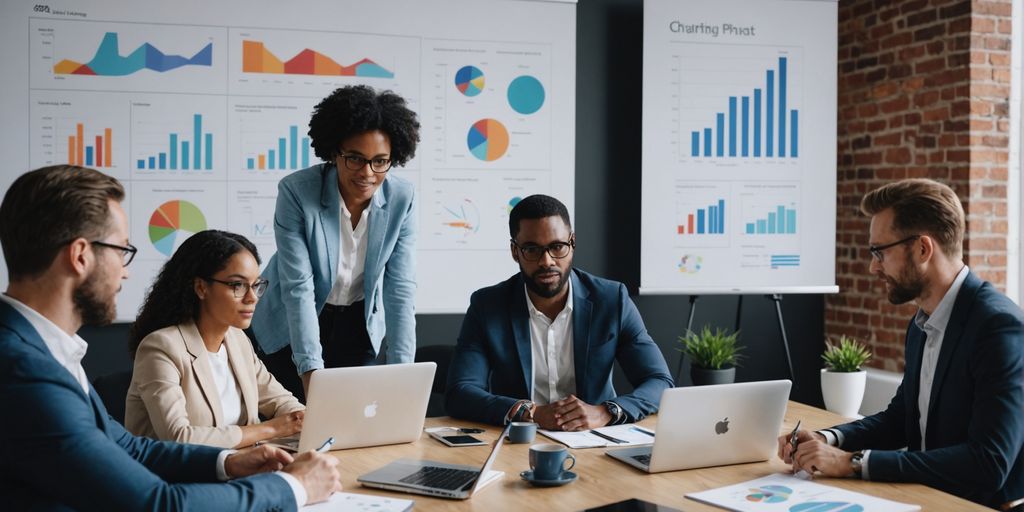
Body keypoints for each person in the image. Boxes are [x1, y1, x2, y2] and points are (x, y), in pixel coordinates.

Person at [0, 165, 341, 510]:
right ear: (80, 256)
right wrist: (292, 487)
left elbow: (130, 448)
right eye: (122, 251)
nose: (126, 269)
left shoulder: (44, 351)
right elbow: (159, 504)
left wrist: (227, 463)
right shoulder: (25, 372)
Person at [779, 179, 1024, 509]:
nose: (872, 266)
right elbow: (901, 419)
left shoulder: (998, 327)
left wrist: (851, 462)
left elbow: (988, 464)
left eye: (880, 251)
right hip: (923, 497)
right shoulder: (924, 321)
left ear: (923, 249)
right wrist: (828, 439)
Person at [445, 194, 674, 430]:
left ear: (572, 243)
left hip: (594, 439)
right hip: (518, 442)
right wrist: (529, 412)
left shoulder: (611, 300)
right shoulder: (488, 306)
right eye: (532, 249)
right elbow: (461, 392)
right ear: (515, 251)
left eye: (557, 247)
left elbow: (659, 381)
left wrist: (605, 412)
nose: (547, 261)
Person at [250, 85, 420, 401]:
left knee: (355, 425)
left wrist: (402, 378)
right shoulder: (297, 192)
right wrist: (312, 374)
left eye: (380, 161)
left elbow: (400, 290)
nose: (367, 173)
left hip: (358, 322)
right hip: (291, 322)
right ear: (334, 152)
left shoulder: (402, 199)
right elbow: (298, 288)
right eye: (355, 159)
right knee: (295, 425)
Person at [125, 230, 305, 449]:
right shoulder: (160, 348)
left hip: (244, 468)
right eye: (238, 285)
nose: (252, 298)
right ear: (201, 287)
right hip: (179, 478)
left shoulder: (237, 340)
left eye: (256, 285)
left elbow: (279, 400)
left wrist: (304, 418)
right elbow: (179, 438)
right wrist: (274, 428)